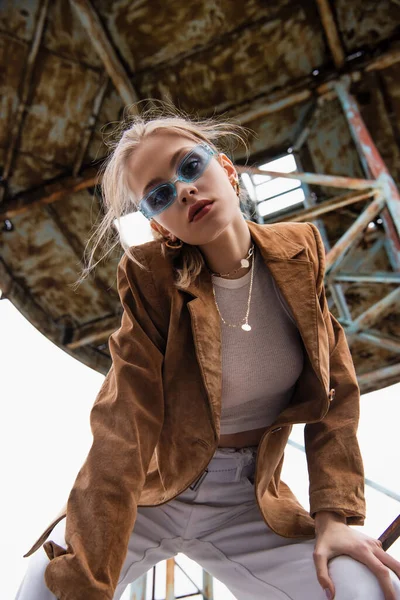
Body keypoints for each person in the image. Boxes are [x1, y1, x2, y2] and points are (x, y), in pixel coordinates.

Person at [16, 104, 400, 600]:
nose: (183, 189)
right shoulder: (150, 280)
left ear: (226, 167)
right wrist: (85, 581)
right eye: (159, 195)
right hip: (154, 492)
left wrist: (334, 516)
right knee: (48, 588)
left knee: (360, 588)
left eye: (189, 166)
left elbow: (338, 391)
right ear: (161, 226)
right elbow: (123, 424)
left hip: (249, 500)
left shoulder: (300, 255)